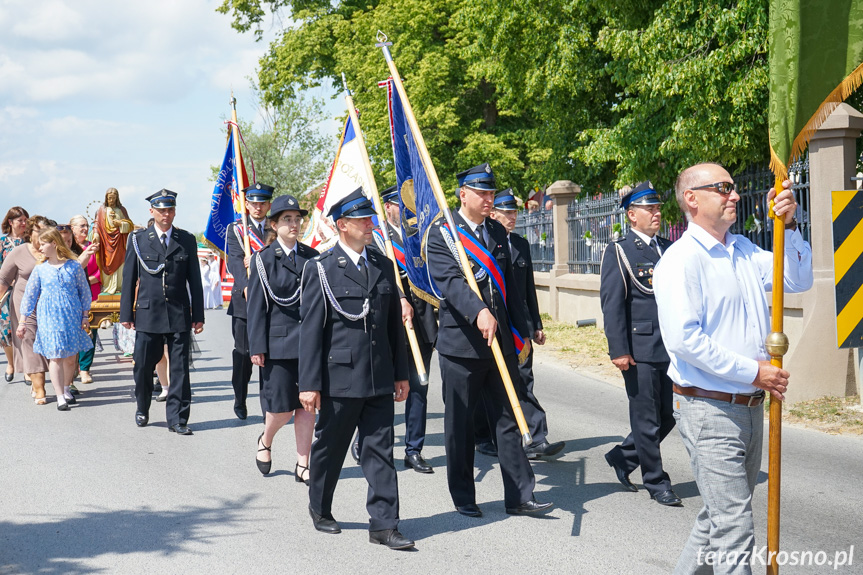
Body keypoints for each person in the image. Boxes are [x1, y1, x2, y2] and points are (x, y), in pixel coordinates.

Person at [653, 163, 813, 575]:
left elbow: (796, 280)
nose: (735, 196)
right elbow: (686, 341)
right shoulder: (680, 261)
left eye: (734, 188)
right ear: (692, 199)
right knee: (734, 528)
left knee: (717, 518)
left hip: (751, 406)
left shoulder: (743, 250)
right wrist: (753, 371)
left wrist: (789, 225)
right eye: (723, 188)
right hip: (708, 410)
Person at [426, 163, 552, 518]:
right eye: (481, 192)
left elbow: (511, 288)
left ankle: (520, 496)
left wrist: (521, 330)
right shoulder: (442, 233)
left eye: (491, 193)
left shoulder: (497, 231)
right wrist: (478, 310)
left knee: (508, 418)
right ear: (462, 193)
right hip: (461, 345)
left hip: (501, 344)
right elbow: (449, 282)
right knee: (461, 425)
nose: (487, 199)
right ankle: (464, 496)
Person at [299, 188, 414, 550]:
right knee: (331, 448)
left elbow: (393, 327)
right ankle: (320, 506)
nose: (370, 224)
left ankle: (384, 524)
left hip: (379, 376)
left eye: (370, 218)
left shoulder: (382, 265)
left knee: (380, 450)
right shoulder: (320, 268)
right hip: (340, 379)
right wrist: (309, 384)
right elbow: (311, 331)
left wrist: (401, 373)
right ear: (342, 225)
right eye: (363, 219)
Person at [599, 181, 679, 506]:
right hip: (639, 347)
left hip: (670, 347)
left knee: (668, 416)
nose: (657, 213)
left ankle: (623, 457)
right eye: (650, 208)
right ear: (632, 215)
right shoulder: (619, 251)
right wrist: (618, 349)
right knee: (646, 418)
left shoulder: (668, 248)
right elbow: (612, 303)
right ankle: (657, 482)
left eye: (658, 208)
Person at [484, 188, 565, 459]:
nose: (512, 217)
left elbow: (528, 289)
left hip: (519, 327)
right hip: (493, 325)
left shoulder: (520, 244)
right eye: (506, 212)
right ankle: (488, 435)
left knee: (524, 380)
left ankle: (536, 438)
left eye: (514, 212)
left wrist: (536, 324)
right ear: (493, 214)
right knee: (493, 385)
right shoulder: (483, 245)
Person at [120, 190, 204, 435]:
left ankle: (178, 419)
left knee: (179, 368)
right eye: (161, 210)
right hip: (148, 315)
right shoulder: (138, 240)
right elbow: (129, 279)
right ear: (152, 212)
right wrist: (126, 313)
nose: (166, 215)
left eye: (170, 210)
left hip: (178, 314)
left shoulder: (185, 239)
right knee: (143, 366)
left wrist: (198, 315)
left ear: (175, 211)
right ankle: (142, 406)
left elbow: (195, 281)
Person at [246, 194, 318, 482]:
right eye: (287, 219)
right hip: (278, 345)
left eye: (297, 219)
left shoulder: (313, 258)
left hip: (309, 345)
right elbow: (257, 308)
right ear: (273, 225)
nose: (294, 224)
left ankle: (303, 463)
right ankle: (266, 439)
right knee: (282, 409)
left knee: (308, 405)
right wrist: (257, 347)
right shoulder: (263, 260)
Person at [17, 227, 93, 411]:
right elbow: (30, 295)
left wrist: (85, 316)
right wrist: (22, 321)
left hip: (71, 316)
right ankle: (60, 396)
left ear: (54, 243)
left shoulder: (74, 266)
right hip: (49, 317)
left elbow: (84, 292)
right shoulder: (40, 269)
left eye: (43, 244)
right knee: (56, 356)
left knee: (69, 357)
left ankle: (66, 388)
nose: (40, 248)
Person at [225, 183, 273, 420]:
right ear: (247, 204)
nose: (258, 207)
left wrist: (254, 259)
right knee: (244, 354)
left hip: (273, 300)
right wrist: (245, 285)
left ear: (269, 205)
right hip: (244, 303)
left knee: (270, 355)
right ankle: (240, 397)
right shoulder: (236, 230)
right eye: (254, 203)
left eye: (262, 203)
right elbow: (234, 261)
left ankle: (270, 405)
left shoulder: (276, 228)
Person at [0, 215, 50, 402]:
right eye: (38, 231)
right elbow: (3, 280)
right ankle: (40, 389)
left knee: (50, 345)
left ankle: (63, 384)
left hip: (51, 305)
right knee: (29, 342)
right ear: (30, 233)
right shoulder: (20, 251)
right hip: (24, 306)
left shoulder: (53, 250)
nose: (42, 235)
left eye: (45, 231)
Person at [70, 215, 101, 385]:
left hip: (92, 291)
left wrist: (89, 279)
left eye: (86, 225)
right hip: (73, 294)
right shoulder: (68, 248)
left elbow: (102, 269)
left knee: (90, 330)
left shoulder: (94, 247)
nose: (84, 228)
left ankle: (85, 369)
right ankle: (72, 367)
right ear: (72, 228)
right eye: (81, 226)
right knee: (73, 331)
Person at [1, 206, 29, 382]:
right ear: (11, 222)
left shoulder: (29, 242)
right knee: (6, 330)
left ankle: (28, 367)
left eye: (26, 220)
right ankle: (11, 363)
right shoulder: (2, 243)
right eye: (20, 220)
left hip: (25, 290)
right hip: (6, 293)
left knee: (25, 329)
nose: (24, 223)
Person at [95, 187, 133, 294]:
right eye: (109, 198)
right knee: (107, 264)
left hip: (119, 243)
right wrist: (96, 236)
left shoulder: (121, 210)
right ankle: (108, 287)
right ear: (106, 198)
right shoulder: (102, 210)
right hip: (106, 243)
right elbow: (97, 225)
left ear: (117, 198)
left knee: (120, 265)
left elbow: (130, 225)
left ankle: (119, 287)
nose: (111, 201)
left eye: (114, 198)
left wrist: (120, 223)